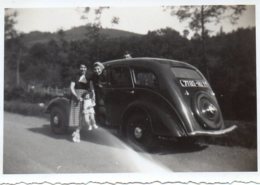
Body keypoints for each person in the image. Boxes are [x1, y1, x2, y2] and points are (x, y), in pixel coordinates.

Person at [69, 64, 95, 143]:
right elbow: (71, 87)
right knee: (76, 116)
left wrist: (92, 97)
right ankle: (77, 132)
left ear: (86, 69)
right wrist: (77, 96)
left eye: (84, 67)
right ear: (79, 68)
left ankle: (77, 133)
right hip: (76, 97)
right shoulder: (75, 76)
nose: (83, 69)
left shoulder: (89, 77)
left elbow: (92, 88)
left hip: (85, 98)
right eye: (81, 67)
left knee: (83, 116)